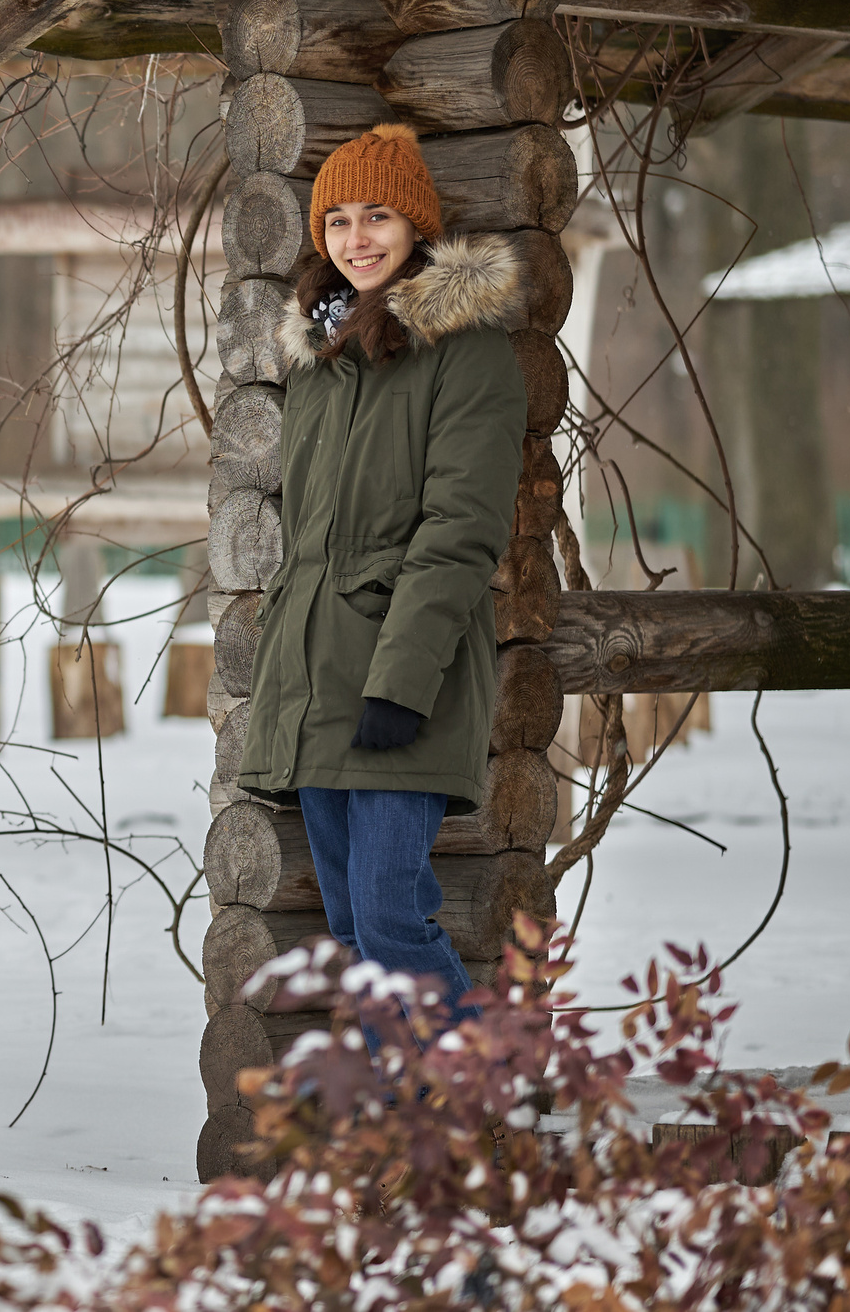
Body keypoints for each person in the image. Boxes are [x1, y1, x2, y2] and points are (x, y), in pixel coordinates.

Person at [239, 121, 527, 1031]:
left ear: (418, 226)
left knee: (392, 913)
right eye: (338, 222)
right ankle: (411, 1135)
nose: (356, 239)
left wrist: (400, 682)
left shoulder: (466, 353)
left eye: (378, 216)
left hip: (408, 683)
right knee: (354, 927)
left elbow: (461, 529)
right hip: (319, 681)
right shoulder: (321, 359)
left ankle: (486, 1102)